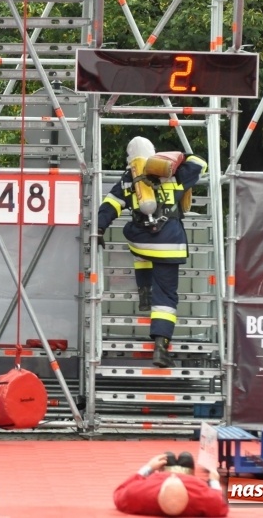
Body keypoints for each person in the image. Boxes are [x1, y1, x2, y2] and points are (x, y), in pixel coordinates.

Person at [97, 136, 207, 368]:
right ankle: (161, 345)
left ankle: (145, 290)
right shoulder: (175, 173)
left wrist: (98, 229)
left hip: (141, 241)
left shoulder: (129, 178)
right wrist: (179, 157)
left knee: (137, 239)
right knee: (166, 297)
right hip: (170, 244)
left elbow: (110, 205)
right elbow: (200, 164)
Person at [113, 452, 228, 516]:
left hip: (165, 479)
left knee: (169, 456)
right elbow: (220, 501)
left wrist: (148, 467)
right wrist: (214, 480)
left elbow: (121, 490)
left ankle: (174, 464)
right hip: (187, 481)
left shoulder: (138, 494)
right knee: (185, 457)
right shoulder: (204, 498)